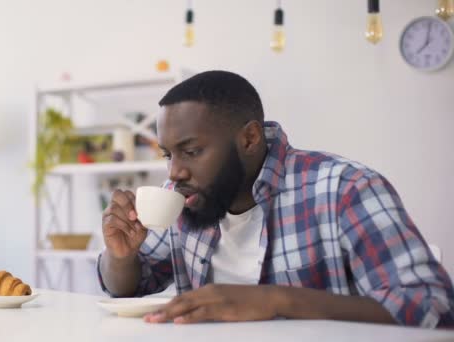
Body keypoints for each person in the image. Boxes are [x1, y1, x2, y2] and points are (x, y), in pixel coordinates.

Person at [97, 70, 454, 328]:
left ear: (250, 138)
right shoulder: (184, 196)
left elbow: (433, 305)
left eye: (190, 151)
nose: (174, 172)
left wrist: (277, 300)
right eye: (168, 155)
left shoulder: (345, 188)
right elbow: (133, 285)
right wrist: (122, 256)